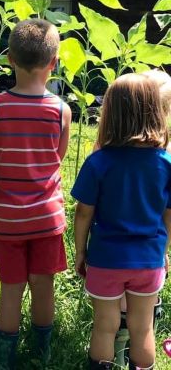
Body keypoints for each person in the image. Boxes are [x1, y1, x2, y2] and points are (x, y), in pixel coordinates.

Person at [0, 19, 72, 369]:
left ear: (9, 59)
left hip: (7, 218)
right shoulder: (61, 111)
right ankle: (43, 351)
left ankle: (2, 357)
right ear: (54, 62)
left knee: (11, 286)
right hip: (47, 217)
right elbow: (57, 157)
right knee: (43, 283)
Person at [72, 73, 171, 370]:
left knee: (105, 326)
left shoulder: (98, 162)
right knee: (143, 328)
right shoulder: (165, 163)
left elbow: (83, 212)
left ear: (109, 115)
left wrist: (80, 251)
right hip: (148, 260)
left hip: (105, 259)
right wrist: (163, 251)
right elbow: (169, 214)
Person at [113, 69, 171, 366]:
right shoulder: (166, 157)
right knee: (145, 315)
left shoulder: (108, 151)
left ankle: (120, 350)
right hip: (151, 250)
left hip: (112, 250)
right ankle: (138, 353)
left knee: (119, 307)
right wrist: (165, 249)